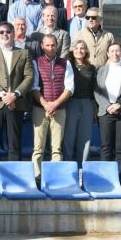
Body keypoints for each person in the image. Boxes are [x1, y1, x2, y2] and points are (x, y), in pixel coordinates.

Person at [0, 21, 34, 163]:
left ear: (13, 34)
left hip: (16, 104)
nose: (5, 34)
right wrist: (2, 94)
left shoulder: (23, 53)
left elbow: (29, 77)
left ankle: (12, 181)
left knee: (14, 145)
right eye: (2, 32)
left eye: (8, 31)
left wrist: (14, 95)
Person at [31, 34, 74, 181]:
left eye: (53, 45)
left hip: (59, 109)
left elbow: (69, 88)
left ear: (57, 46)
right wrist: (46, 104)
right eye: (47, 45)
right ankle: (37, 178)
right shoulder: (36, 62)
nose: (50, 48)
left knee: (57, 148)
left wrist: (55, 104)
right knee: (38, 148)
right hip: (39, 109)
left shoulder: (66, 63)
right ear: (42, 46)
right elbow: (34, 87)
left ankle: (55, 178)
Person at [94, 43, 121, 174]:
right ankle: (106, 179)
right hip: (105, 113)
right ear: (107, 53)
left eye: (117, 51)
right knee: (106, 148)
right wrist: (108, 107)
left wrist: (119, 104)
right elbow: (96, 91)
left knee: (120, 149)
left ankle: (120, 178)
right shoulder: (100, 70)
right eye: (112, 51)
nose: (115, 53)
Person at [63, 40, 97, 165]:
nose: (79, 50)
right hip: (70, 103)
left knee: (85, 137)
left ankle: (83, 167)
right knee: (69, 136)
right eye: (76, 48)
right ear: (72, 50)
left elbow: (95, 89)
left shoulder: (91, 68)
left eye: (82, 48)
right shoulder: (67, 65)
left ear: (86, 51)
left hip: (87, 103)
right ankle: (68, 165)